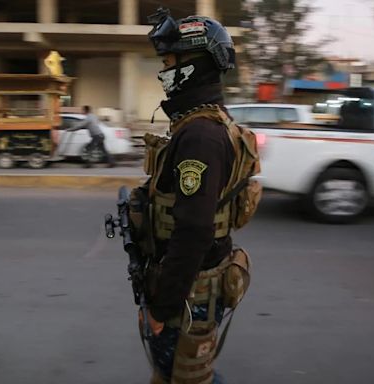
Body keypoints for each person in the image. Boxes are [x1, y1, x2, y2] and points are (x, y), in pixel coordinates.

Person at [133, 8, 261, 384]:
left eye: (170, 61)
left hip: (190, 295)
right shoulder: (206, 124)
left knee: (186, 378)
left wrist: (161, 308)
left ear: (195, 64)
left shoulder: (201, 137)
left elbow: (192, 232)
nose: (164, 71)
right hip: (196, 285)